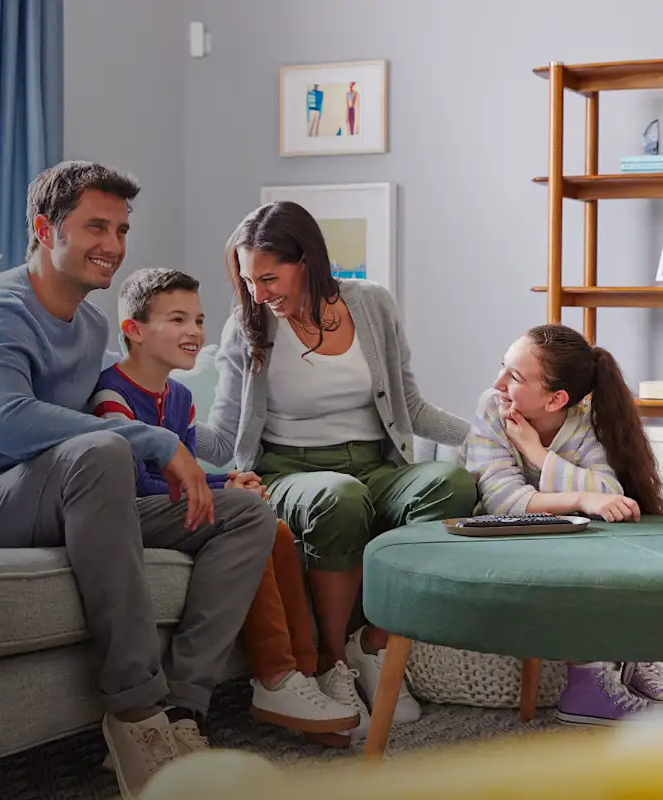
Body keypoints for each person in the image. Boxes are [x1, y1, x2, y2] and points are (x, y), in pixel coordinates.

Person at [0, 161, 277, 800]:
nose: (112, 246)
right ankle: (135, 713)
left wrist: (209, 470)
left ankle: (185, 710)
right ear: (42, 228)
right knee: (103, 450)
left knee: (247, 513)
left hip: (76, 493)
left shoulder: (90, 325)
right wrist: (154, 440)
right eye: (95, 227)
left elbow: (119, 404)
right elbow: (5, 423)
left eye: (121, 228)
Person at [194, 201, 477, 738]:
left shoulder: (372, 305)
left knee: (451, 484)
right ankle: (333, 664)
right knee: (338, 496)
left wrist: (489, 437)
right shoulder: (247, 326)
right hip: (288, 471)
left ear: (306, 261)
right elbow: (224, 433)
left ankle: (371, 641)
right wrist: (150, 429)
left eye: (269, 278)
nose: (259, 294)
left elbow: (411, 409)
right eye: (249, 281)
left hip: (376, 463)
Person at [91, 267, 359, 745]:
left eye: (199, 320)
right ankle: (277, 676)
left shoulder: (179, 397)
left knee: (273, 529)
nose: (195, 332)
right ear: (133, 331)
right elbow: (132, 484)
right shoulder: (111, 393)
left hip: (164, 503)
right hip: (124, 510)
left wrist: (227, 479)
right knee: (249, 515)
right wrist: (221, 491)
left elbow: (182, 469)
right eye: (178, 320)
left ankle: (301, 674)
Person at [463, 323, 663, 725]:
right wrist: (581, 498)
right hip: (500, 535)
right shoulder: (493, 407)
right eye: (504, 366)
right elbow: (503, 501)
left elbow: (611, 491)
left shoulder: (583, 420)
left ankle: (623, 659)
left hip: (565, 531)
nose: (497, 382)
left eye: (514, 376)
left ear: (557, 400)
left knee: (614, 539)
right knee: (576, 550)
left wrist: (536, 453)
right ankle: (586, 684)